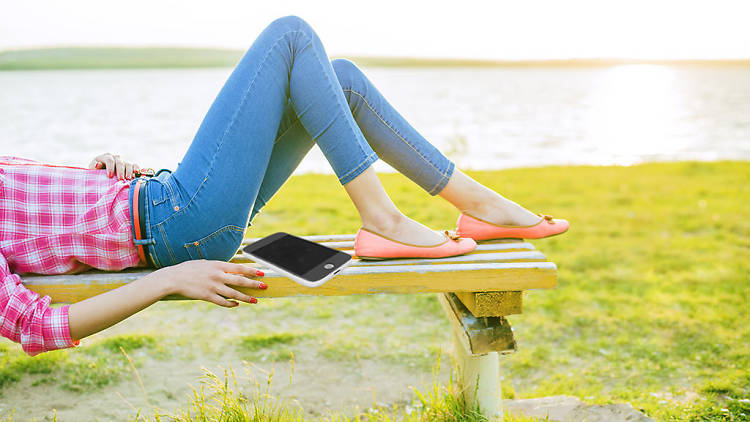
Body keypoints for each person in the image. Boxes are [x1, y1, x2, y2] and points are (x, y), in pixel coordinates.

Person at [0, 15, 568, 357]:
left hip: (158, 201)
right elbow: (37, 326)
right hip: (173, 229)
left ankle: (478, 205)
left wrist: (100, 174)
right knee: (289, 36)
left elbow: (41, 216)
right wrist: (170, 278)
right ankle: (384, 220)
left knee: (338, 78)